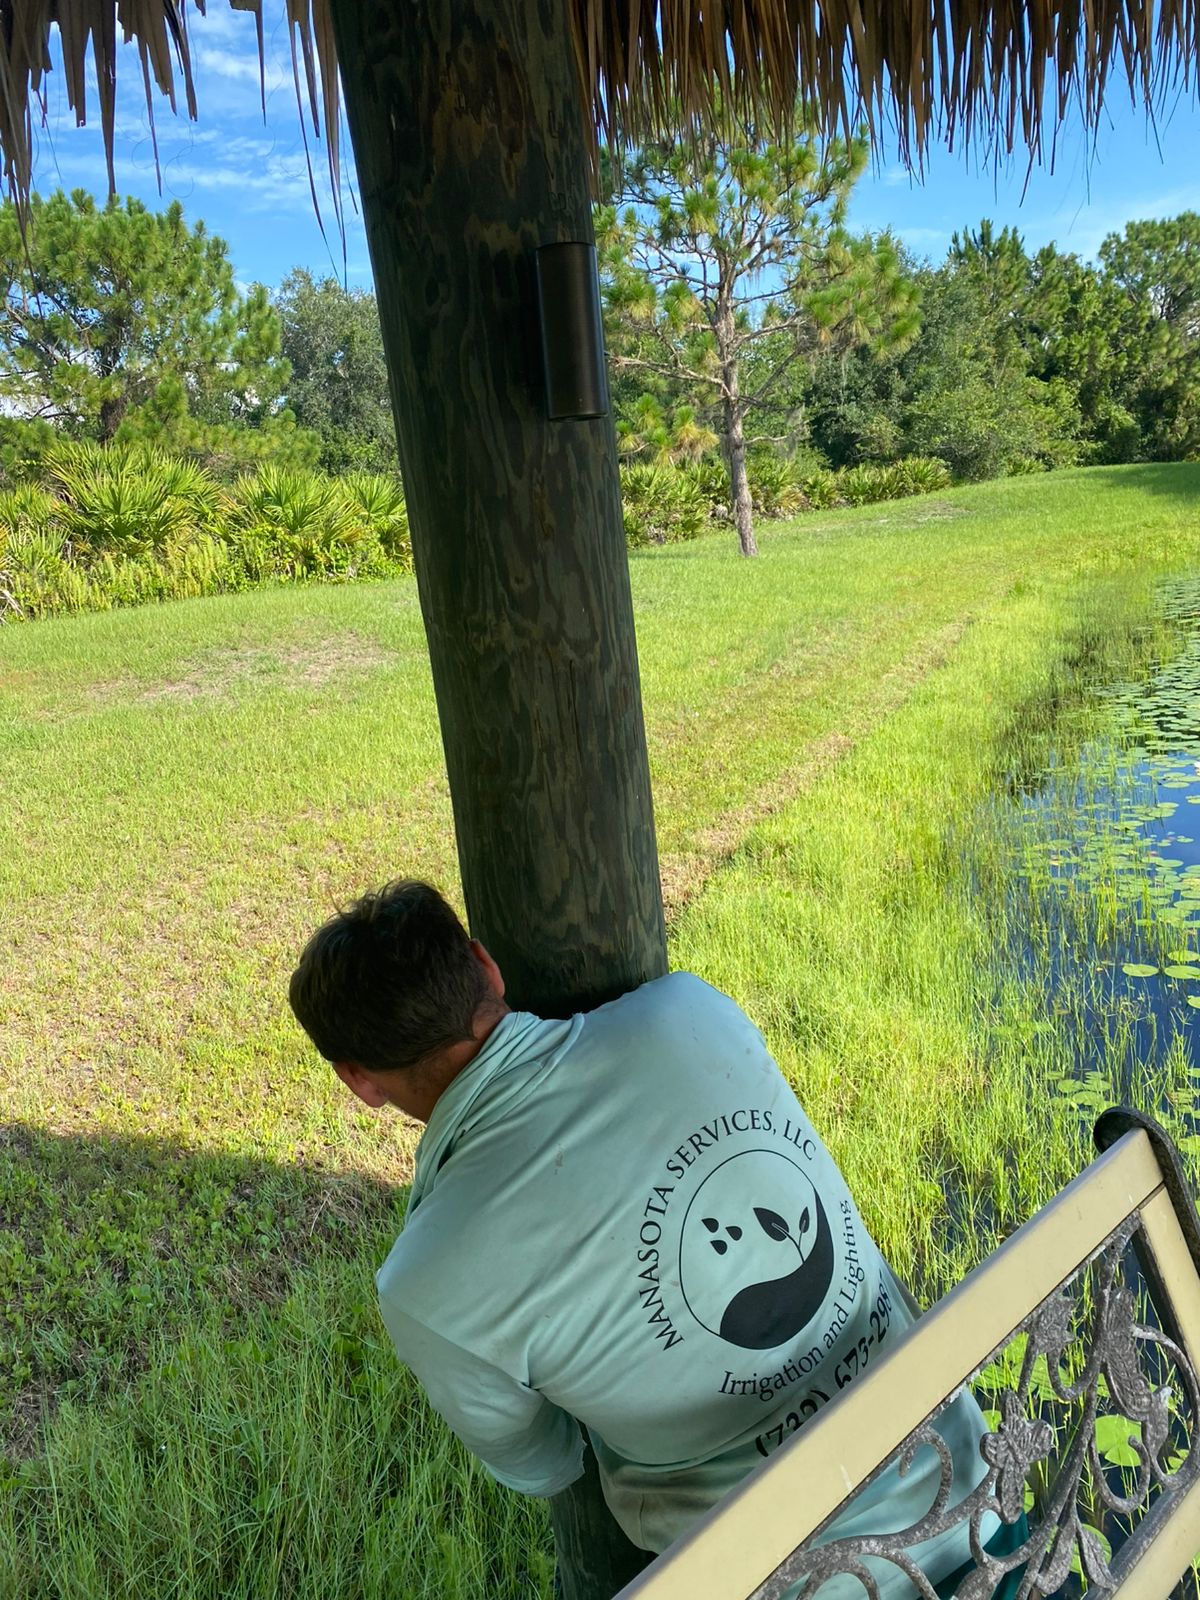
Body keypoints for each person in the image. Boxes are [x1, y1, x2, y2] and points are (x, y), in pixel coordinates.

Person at [288, 879, 1004, 1597]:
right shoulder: (689, 1009)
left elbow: (546, 1465)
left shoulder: (425, 1285)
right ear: (485, 966)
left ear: (360, 1081)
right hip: (989, 1510)